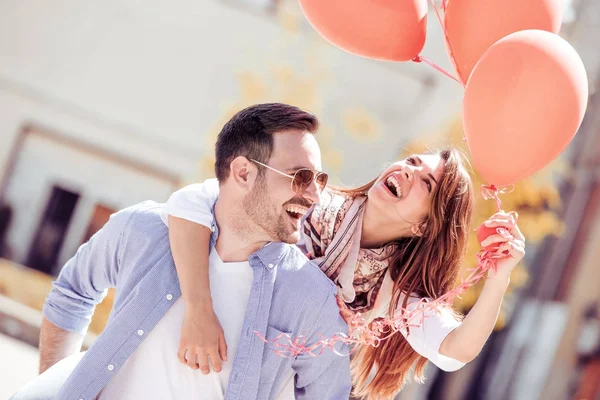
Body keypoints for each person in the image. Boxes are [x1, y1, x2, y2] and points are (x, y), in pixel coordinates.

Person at [11, 103, 351, 400]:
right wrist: (62, 388)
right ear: (244, 173)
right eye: (300, 177)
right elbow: (73, 290)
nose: (314, 196)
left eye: (319, 180)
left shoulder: (311, 298)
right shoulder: (143, 231)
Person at [163, 148, 526, 398]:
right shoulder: (304, 200)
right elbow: (195, 201)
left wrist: (500, 276)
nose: (410, 171)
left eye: (427, 184)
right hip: (192, 353)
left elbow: (454, 350)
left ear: (424, 227)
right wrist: (198, 310)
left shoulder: (391, 294)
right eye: (413, 161)